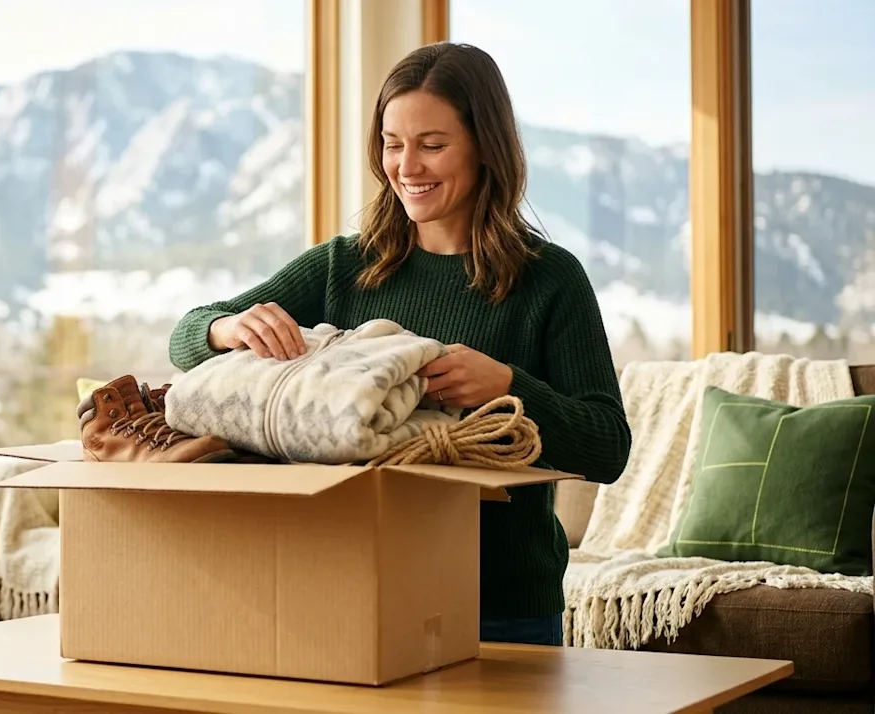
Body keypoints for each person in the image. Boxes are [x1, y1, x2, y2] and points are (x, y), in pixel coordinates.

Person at [166, 41, 631, 647]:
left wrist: (507, 386)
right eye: (392, 144)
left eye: (432, 145)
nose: (407, 166)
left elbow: (608, 447)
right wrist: (226, 330)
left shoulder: (549, 280)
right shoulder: (344, 266)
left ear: (485, 146)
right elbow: (187, 336)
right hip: (346, 589)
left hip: (498, 606)